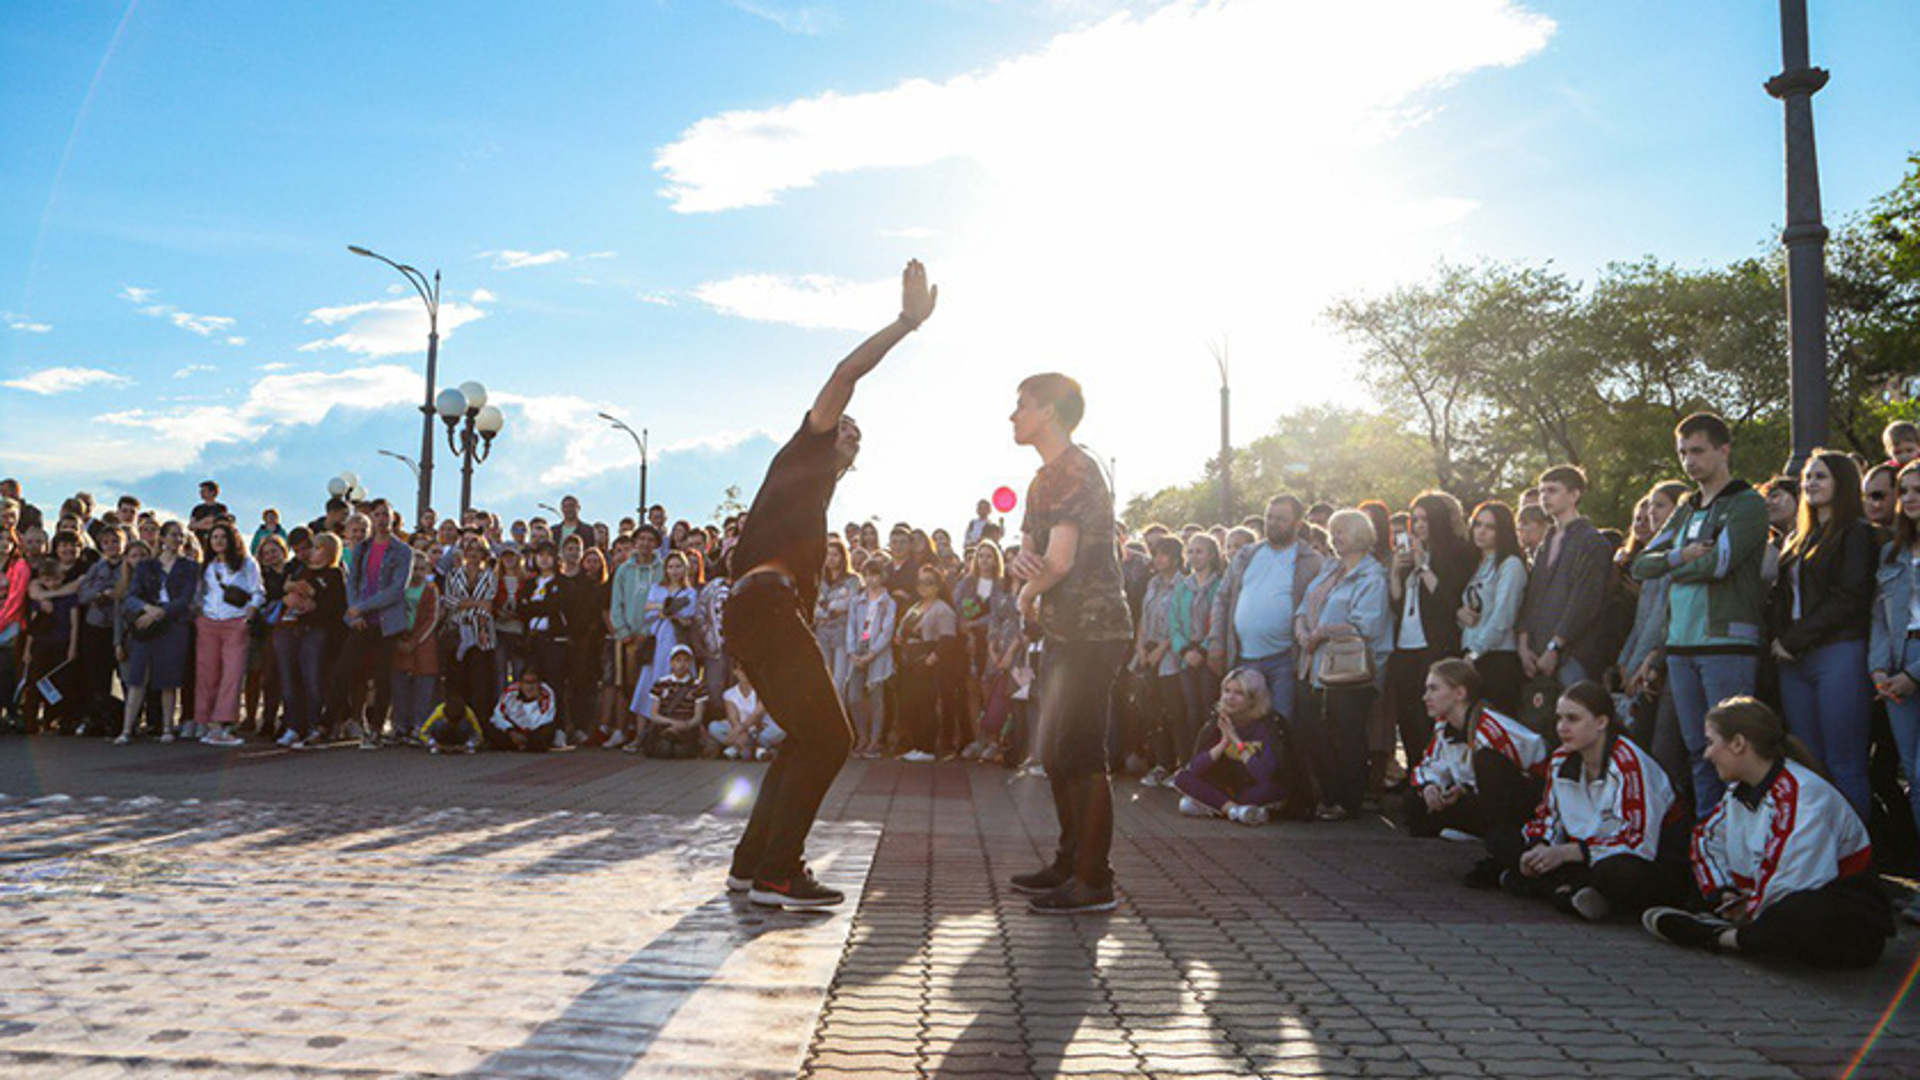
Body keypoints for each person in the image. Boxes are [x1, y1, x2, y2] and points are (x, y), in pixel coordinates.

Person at [723, 260, 935, 911]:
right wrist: (905, 323)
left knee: (807, 739)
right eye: (842, 424)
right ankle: (780, 872)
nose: (847, 428)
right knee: (833, 739)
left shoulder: (809, 500)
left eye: (854, 434)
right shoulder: (804, 450)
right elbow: (846, 375)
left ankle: (753, 864)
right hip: (763, 607)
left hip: (758, 612)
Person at [1004, 371, 1134, 915]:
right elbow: (1030, 554)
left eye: (1022, 405)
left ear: (1051, 412)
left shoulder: (1077, 469)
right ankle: (1068, 860)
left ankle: (1093, 879)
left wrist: (1025, 594)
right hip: (1063, 629)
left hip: (1094, 628)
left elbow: (1056, 562)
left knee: (1079, 752)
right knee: (1056, 752)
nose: (1013, 416)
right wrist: (1024, 573)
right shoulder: (1041, 481)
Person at [1642, 698, 1893, 968]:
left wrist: (1748, 910)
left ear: (1738, 744)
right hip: (1769, 911)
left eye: (1711, 743)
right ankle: (1736, 930)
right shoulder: (1738, 792)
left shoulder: (1805, 796)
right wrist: (1725, 894)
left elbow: (1796, 882)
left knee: (1799, 913)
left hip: (1847, 925)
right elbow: (1706, 840)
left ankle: (1718, 936)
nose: (1706, 754)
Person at [1631, 413, 1769, 817]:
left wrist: (1672, 567)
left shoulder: (1747, 503)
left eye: (1698, 451)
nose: (1689, 461)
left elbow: (1719, 563)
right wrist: (1682, 556)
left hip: (1727, 643)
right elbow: (1641, 565)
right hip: (1680, 645)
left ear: (1723, 450)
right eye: (1682, 453)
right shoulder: (1687, 507)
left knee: (1735, 753)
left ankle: (1743, 843)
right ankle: (1710, 843)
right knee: (1698, 750)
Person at [1490, 682, 1687, 921]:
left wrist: (1570, 852)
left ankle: (1550, 886)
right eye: (1559, 718)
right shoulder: (1561, 759)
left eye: (1572, 719)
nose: (1562, 727)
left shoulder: (1629, 763)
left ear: (1601, 722)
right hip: (1583, 855)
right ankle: (1568, 889)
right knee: (1499, 837)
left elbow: (1638, 841)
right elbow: (1548, 816)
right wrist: (1539, 846)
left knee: (1618, 873)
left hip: (1646, 859)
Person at [1768, 449, 1875, 819]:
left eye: (1820, 476)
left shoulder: (1857, 533)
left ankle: (1859, 863)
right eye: (1807, 478)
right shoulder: (1798, 537)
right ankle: (1822, 857)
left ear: (1842, 483)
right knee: (1810, 765)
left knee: (1845, 761)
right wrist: (1782, 640)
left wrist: (1791, 640)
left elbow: (1849, 598)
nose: (1810, 483)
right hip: (1792, 662)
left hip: (1838, 653)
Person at [1293, 509, 1393, 823]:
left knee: (1348, 735)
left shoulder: (1372, 576)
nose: (1335, 538)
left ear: (1361, 535)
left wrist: (1321, 632)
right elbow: (1304, 606)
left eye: (1343, 532)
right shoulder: (1329, 570)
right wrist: (1302, 631)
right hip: (1313, 664)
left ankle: (1347, 801)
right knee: (1312, 731)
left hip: (1350, 671)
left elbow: (1367, 625)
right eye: (1333, 532)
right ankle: (1328, 793)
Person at [1405, 658, 1548, 853]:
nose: (1425, 697)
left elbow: (1538, 762)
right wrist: (1431, 787)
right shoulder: (1444, 726)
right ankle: (1477, 828)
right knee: (1414, 802)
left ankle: (1496, 832)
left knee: (1488, 761)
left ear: (1460, 693)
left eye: (1433, 689)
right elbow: (1430, 765)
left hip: (1522, 805)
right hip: (1476, 796)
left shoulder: (1491, 727)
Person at [1208, 495, 1323, 724]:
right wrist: (1216, 642)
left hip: (1284, 660)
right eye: (1269, 517)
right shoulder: (1246, 555)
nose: (1273, 523)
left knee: (1280, 724)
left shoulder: (1311, 560)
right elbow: (1222, 598)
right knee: (1242, 725)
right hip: (1243, 658)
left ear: (1297, 524)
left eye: (1281, 518)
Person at [1387, 491, 1476, 772]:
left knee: (1431, 716)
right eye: (1415, 519)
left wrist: (1424, 565)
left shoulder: (1458, 552)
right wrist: (1395, 571)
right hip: (1405, 644)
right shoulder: (1410, 552)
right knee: (1408, 714)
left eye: (1425, 519)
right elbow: (1397, 603)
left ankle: (1436, 774)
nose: (1420, 525)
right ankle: (1415, 773)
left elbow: (1449, 600)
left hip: (1437, 643)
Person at [1615, 481, 1692, 792]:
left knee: (1665, 750)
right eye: (1647, 505)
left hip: (1667, 661)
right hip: (1639, 661)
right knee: (1640, 747)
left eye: (1659, 505)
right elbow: (1642, 618)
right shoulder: (1653, 551)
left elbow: (1671, 615)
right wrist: (1625, 660)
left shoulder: (1681, 551)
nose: (1650, 512)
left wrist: (1653, 658)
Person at [1170, 666, 1311, 826]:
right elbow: (1195, 768)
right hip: (1231, 787)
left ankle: (1219, 806)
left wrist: (1236, 741)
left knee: (1190, 805)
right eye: (1227, 691)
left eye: (1239, 693)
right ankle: (1236, 811)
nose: (1230, 697)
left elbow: (1265, 775)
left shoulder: (1269, 725)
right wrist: (1223, 742)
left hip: (1260, 788)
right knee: (1181, 778)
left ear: (1253, 699)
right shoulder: (1218, 721)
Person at [1516, 466, 1612, 694]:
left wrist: (1556, 647)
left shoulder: (1591, 541)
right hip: (1537, 650)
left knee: (1577, 713)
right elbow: (1533, 596)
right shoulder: (1547, 541)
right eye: (1541, 491)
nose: (1544, 497)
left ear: (1574, 495)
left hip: (1572, 653)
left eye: (1552, 490)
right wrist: (1523, 644)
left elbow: (1585, 600)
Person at [333, 500, 412, 749]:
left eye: (385, 515)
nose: (381, 519)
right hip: (361, 623)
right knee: (343, 671)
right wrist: (354, 612)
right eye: (377, 515)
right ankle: (333, 722)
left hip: (387, 623)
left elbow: (397, 590)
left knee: (382, 678)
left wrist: (363, 607)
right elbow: (353, 581)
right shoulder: (363, 549)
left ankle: (376, 727)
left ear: (393, 519)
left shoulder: (402, 551)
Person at [124, 521, 199, 742]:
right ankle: (126, 729)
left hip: (174, 625)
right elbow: (132, 596)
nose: (178, 539)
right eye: (174, 535)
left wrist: (160, 612)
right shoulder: (146, 566)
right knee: (138, 676)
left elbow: (185, 599)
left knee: (168, 678)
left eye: (182, 536)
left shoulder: (190, 567)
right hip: (147, 625)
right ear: (163, 538)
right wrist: (148, 610)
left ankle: (168, 727)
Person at [192, 522, 263, 747]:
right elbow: (200, 594)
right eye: (214, 537)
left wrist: (248, 617)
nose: (219, 541)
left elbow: (258, 592)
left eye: (223, 537)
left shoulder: (247, 564)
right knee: (207, 674)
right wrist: (200, 616)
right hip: (209, 622)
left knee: (232, 674)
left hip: (236, 623)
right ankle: (209, 725)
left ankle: (224, 723)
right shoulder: (208, 566)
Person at [275, 532, 346, 748]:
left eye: (316, 547)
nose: (310, 552)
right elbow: (283, 592)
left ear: (329, 551)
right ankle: (293, 727)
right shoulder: (299, 570)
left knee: (312, 680)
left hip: (316, 631)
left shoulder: (335, 574)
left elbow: (335, 607)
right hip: (290, 628)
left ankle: (315, 726)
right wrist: (289, 593)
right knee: (289, 680)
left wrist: (314, 599)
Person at [1458, 501, 1528, 716]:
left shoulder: (1511, 565)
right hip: (1471, 654)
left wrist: (1476, 652)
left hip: (1496, 658)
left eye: (1490, 527)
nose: (1481, 531)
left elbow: (1503, 617)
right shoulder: (1476, 564)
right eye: (1478, 524)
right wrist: (1459, 614)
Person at [1135, 535, 1188, 785]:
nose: (1157, 559)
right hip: (1148, 653)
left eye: (1163, 553)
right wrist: (1141, 646)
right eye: (1155, 554)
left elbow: (1180, 621)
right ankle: (1160, 762)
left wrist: (1163, 648)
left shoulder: (1183, 584)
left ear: (1176, 557)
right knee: (1152, 710)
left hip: (1171, 655)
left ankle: (1181, 764)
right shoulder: (1152, 583)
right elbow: (1144, 618)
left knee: (1175, 711)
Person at [894, 564, 957, 762]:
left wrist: (931, 660)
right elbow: (901, 631)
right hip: (909, 661)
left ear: (937, 586)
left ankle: (927, 747)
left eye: (929, 583)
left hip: (927, 661)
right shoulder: (915, 606)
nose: (923, 586)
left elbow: (948, 639)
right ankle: (915, 744)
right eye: (920, 582)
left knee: (926, 704)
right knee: (911, 703)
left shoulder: (942, 609)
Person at [844, 553, 897, 758]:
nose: (871, 579)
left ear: (882, 576)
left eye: (875, 574)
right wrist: (851, 652)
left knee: (877, 698)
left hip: (878, 654)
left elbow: (887, 631)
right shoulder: (858, 600)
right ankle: (862, 736)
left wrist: (872, 654)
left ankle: (874, 741)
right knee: (853, 697)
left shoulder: (888, 602)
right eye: (867, 575)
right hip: (858, 649)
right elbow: (851, 626)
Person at [390, 549, 441, 744]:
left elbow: (432, 617)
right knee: (399, 683)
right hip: (400, 639)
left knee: (423, 684)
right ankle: (401, 725)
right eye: (413, 568)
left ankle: (420, 725)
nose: (417, 572)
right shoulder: (398, 589)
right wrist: (398, 638)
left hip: (423, 643)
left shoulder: (431, 589)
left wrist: (415, 641)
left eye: (421, 568)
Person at [639, 643, 710, 758]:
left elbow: (698, 716)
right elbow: (654, 714)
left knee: (680, 751)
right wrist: (672, 723)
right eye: (678, 660)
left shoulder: (697, 685)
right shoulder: (660, 684)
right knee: (664, 749)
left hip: (686, 727)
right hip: (665, 725)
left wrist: (685, 725)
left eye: (686, 661)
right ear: (672, 663)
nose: (682, 664)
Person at [814, 538, 857, 707]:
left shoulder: (852, 580)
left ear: (842, 557)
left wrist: (828, 605)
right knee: (824, 679)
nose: (831, 558)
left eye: (835, 555)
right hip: (822, 632)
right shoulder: (819, 580)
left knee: (839, 681)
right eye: (828, 555)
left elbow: (848, 603)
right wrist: (832, 606)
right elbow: (814, 607)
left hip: (842, 633)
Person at [715, 662, 787, 761]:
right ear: (735, 671)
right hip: (741, 729)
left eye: (747, 670)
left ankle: (738, 748)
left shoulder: (763, 689)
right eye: (741, 670)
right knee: (714, 727)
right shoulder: (729, 693)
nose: (744, 673)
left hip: (762, 727)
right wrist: (741, 732)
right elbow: (733, 717)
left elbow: (758, 714)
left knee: (781, 728)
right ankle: (758, 749)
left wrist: (741, 729)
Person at [487, 666, 560, 752]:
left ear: (539, 683)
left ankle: (523, 745)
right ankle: (521, 745)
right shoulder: (510, 693)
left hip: (535, 730)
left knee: (545, 733)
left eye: (533, 682)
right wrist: (511, 731)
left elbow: (546, 719)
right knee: (490, 729)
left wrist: (533, 701)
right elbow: (498, 714)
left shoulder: (546, 693)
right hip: (514, 730)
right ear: (520, 684)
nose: (530, 687)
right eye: (526, 683)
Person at [419, 685, 482, 754]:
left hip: (460, 736)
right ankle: (437, 746)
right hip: (443, 735)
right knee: (438, 724)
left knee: (465, 725)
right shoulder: (439, 711)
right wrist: (433, 743)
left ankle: (465, 746)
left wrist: (468, 745)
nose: (452, 725)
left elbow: (478, 734)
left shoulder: (468, 712)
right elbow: (423, 732)